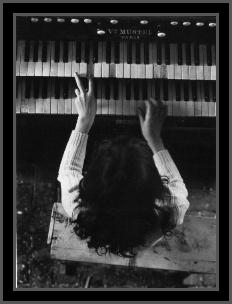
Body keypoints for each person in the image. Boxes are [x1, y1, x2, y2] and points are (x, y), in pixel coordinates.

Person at [57, 73, 190, 258]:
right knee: (137, 247)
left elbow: (68, 170)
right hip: (143, 239)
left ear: (94, 179)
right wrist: (154, 138)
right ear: (154, 184)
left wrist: (84, 119)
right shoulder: (172, 210)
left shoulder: (78, 209)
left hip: (109, 235)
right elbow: (176, 183)